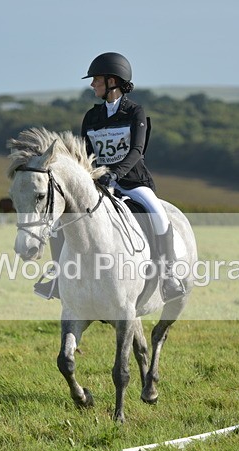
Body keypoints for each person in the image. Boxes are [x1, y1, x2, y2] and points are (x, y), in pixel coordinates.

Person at [34, 52, 185, 303]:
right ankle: (59, 277)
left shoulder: (135, 112)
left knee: (158, 214)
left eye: (96, 79)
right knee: (61, 222)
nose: (93, 84)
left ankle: (168, 275)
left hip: (132, 182)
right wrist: (91, 177)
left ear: (112, 81)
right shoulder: (91, 117)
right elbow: (85, 155)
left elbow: (137, 151)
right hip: (97, 184)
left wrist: (115, 173)